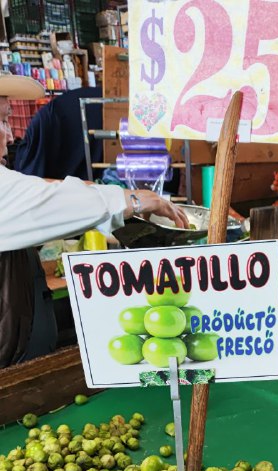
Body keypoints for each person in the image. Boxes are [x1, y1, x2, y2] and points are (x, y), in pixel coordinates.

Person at [0, 73, 188, 368]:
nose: (11, 135)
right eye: (2, 121)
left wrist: (126, 207)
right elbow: (48, 200)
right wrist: (131, 200)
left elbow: (45, 189)